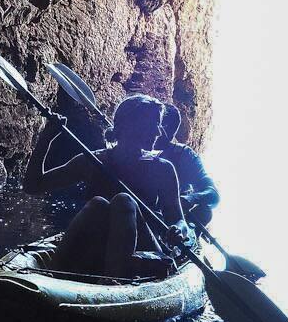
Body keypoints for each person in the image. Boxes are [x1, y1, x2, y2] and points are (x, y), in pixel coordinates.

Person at [25, 93, 186, 277]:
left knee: (124, 201)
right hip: (98, 250)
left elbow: (179, 220)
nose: (159, 132)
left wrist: (178, 230)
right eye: (154, 124)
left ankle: (114, 279)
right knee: (98, 204)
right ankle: (60, 273)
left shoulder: (162, 169)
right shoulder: (92, 161)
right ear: (131, 126)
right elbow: (32, 185)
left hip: (145, 250)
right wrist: (47, 138)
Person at [155, 101, 219, 228]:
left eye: (171, 130)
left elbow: (213, 194)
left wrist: (190, 199)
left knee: (205, 212)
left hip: (167, 215)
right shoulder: (135, 145)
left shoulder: (183, 154)